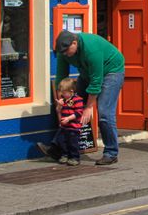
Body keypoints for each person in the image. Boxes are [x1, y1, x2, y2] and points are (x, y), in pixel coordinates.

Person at [39, 30, 125, 166]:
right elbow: (61, 76)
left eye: (67, 51)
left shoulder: (91, 49)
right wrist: (60, 101)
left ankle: (111, 153)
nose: (66, 54)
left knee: (104, 113)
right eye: (63, 52)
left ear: (75, 43)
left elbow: (96, 81)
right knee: (70, 106)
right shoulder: (64, 51)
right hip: (87, 73)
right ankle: (57, 149)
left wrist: (88, 107)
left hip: (111, 71)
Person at [55, 77, 84, 167]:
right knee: (61, 141)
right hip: (64, 126)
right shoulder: (63, 100)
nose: (62, 94)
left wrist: (68, 118)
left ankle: (75, 158)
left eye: (64, 92)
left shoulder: (77, 99)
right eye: (61, 92)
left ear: (71, 91)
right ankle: (65, 155)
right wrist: (59, 105)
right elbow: (58, 111)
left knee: (73, 143)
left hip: (73, 127)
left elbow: (79, 113)